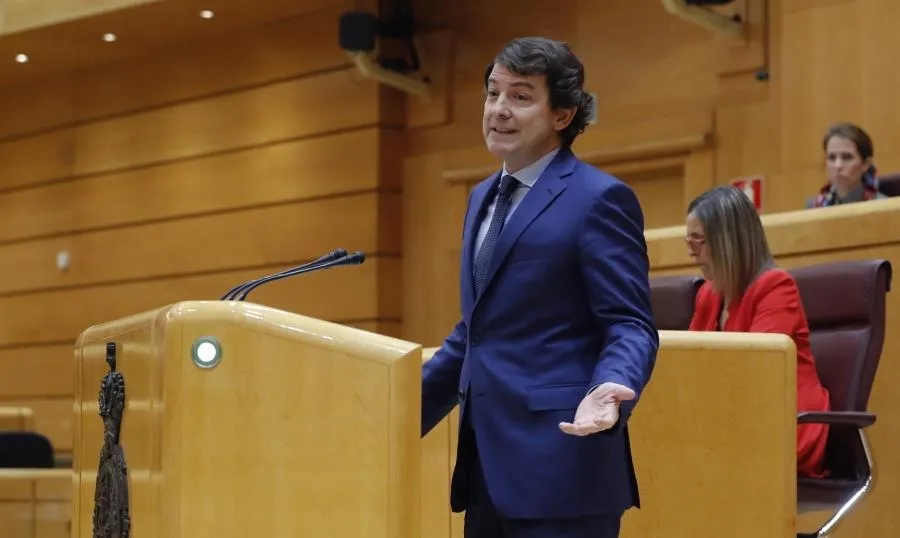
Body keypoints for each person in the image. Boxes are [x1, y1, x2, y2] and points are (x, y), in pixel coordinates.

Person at [420, 37, 659, 538]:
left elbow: (630, 323)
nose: (499, 111)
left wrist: (609, 389)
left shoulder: (600, 199)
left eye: (521, 97)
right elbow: (478, 331)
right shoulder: (482, 196)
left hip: (563, 465)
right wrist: (397, 413)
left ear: (562, 115)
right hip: (485, 466)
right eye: (493, 94)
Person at [685, 186, 831, 478]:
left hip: (784, 422)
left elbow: (755, 373)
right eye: (688, 240)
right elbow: (689, 366)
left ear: (729, 241)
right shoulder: (708, 295)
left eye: (698, 240)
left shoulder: (775, 287)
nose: (690, 252)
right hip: (733, 421)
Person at [809, 122, 886, 208]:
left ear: (866, 164)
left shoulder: (883, 208)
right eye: (832, 157)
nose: (837, 166)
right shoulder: (815, 207)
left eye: (847, 157)